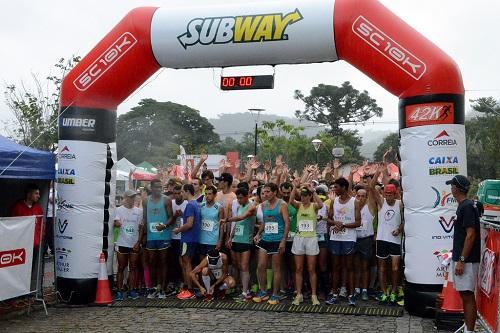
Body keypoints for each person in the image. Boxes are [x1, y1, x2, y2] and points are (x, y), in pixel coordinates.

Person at [446, 175, 480, 333]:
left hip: (467, 260)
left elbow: (471, 234)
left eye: (452, 185)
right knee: (465, 295)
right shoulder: (465, 205)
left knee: (467, 296)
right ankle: (468, 327)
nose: (450, 188)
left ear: (457, 188)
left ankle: (469, 330)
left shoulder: (466, 206)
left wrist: (461, 260)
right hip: (465, 258)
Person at [370, 166, 404, 305]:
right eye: (386, 194)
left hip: (395, 240)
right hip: (382, 239)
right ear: (384, 194)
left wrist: (399, 229)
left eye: (391, 194)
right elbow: (371, 187)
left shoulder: (400, 204)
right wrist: (378, 172)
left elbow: (405, 221)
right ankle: (384, 293)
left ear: (395, 194)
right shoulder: (381, 202)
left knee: (395, 268)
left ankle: (394, 291)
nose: (388, 197)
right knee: (382, 268)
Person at [252, 183, 290, 305]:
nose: (266, 194)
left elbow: (287, 223)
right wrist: (258, 233)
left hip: (277, 239)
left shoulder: (282, 204)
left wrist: (283, 240)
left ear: (274, 192)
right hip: (266, 238)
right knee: (261, 266)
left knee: (276, 268)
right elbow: (265, 221)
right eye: (264, 192)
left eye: (268, 191)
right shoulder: (263, 205)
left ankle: (275, 294)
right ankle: (263, 291)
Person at [326, 177, 361, 306]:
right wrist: (335, 222)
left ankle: (351, 295)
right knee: (335, 267)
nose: (334, 189)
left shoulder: (354, 202)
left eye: (337, 187)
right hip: (335, 238)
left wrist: (343, 225)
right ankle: (335, 294)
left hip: (349, 238)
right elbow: (328, 219)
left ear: (344, 188)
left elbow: (358, 222)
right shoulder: (333, 201)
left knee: (349, 267)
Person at [288, 180, 323, 306]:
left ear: (309, 196)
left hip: (311, 239)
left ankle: (314, 295)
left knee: (311, 269)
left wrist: (313, 191)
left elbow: (321, 205)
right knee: (298, 268)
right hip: (299, 238)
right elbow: (291, 201)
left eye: (305, 195)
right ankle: (299, 294)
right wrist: (294, 187)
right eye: (301, 195)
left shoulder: (313, 206)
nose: (303, 198)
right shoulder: (299, 205)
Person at [141, 179, 174, 299]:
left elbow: (171, 217)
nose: (159, 189)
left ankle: (163, 289)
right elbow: (144, 219)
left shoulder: (166, 200)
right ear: (151, 187)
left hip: (164, 236)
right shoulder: (145, 201)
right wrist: (143, 236)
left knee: (163, 261)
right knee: (152, 262)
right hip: (151, 236)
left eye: (160, 187)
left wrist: (164, 225)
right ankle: (154, 288)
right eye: (156, 187)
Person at [11, 183, 44, 292]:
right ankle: (16, 291)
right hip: (21, 245)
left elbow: (42, 225)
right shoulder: (18, 207)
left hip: (34, 244)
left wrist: (40, 237)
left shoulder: (38, 208)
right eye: (36, 193)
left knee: (30, 269)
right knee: (18, 269)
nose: (38, 196)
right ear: (29, 194)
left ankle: (26, 291)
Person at [226, 187, 257, 301]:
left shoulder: (252, 207)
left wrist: (227, 220)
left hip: (246, 241)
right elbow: (237, 223)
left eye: (241, 198)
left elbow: (242, 217)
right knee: (239, 266)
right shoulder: (239, 207)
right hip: (237, 239)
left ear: (246, 196)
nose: (239, 200)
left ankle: (245, 292)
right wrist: (230, 237)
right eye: (237, 198)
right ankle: (243, 288)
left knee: (244, 266)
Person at [114, 190, 143, 301]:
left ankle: (131, 290)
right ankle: (119, 291)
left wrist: (138, 242)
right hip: (122, 242)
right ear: (125, 197)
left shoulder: (139, 211)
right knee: (121, 267)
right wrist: (117, 223)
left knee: (133, 268)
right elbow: (115, 222)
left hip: (134, 243)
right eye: (130, 197)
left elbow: (141, 228)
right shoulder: (118, 210)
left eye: (133, 197)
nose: (132, 199)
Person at [174, 183, 201, 300]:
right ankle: (187, 288)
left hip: (188, 238)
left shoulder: (190, 205)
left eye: (182, 192)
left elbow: (189, 224)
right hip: (192, 238)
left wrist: (178, 230)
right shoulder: (195, 204)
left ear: (187, 191)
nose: (181, 194)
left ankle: (189, 289)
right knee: (185, 263)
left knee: (186, 263)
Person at [354, 186, 376, 301]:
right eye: (358, 196)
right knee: (356, 266)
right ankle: (356, 289)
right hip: (354, 239)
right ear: (355, 196)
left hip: (366, 240)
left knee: (365, 266)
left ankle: (365, 290)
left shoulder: (370, 207)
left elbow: (372, 190)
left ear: (366, 198)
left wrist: (370, 180)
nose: (361, 198)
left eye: (363, 196)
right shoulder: (353, 207)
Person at [171, 184, 188, 292]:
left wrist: (182, 215)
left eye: (179, 193)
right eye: (175, 193)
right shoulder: (171, 203)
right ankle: (175, 282)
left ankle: (184, 282)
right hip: (173, 236)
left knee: (183, 261)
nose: (177, 195)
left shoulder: (187, 204)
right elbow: (169, 220)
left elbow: (190, 221)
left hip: (183, 237)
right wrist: (175, 216)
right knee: (173, 261)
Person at [199, 185, 224, 256]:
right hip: (201, 239)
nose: (207, 196)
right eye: (206, 194)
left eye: (209, 194)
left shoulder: (219, 207)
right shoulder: (201, 206)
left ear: (215, 195)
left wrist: (220, 241)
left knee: (211, 263)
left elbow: (221, 225)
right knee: (201, 261)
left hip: (213, 240)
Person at [44, 182, 56, 258]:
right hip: (46, 214)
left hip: (51, 215)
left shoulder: (54, 191)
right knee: (45, 234)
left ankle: (52, 250)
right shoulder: (45, 190)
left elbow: (53, 200)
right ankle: (45, 250)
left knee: (50, 234)